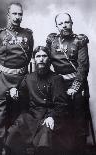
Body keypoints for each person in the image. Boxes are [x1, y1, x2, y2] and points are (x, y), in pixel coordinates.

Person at [0, 2, 34, 155]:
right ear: (8, 15)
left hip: (21, 79)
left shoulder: (28, 35)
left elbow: (28, 57)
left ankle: (15, 147)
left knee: (20, 113)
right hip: (3, 79)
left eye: (20, 14)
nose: (17, 17)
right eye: (14, 14)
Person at [5, 46, 69, 155]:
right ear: (34, 59)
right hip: (32, 116)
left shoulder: (56, 79)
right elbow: (21, 96)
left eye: (44, 56)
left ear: (49, 59)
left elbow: (61, 104)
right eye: (38, 56)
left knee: (43, 143)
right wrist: (13, 90)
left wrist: (52, 116)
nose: (41, 59)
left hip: (48, 117)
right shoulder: (28, 78)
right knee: (13, 134)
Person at [46, 13, 90, 154]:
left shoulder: (80, 41)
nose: (64, 25)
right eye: (61, 23)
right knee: (59, 117)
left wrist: (74, 88)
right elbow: (45, 61)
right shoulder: (51, 41)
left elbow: (83, 68)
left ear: (72, 22)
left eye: (67, 22)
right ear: (56, 26)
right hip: (58, 84)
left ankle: (79, 150)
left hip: (76, 84)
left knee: (79, 121)